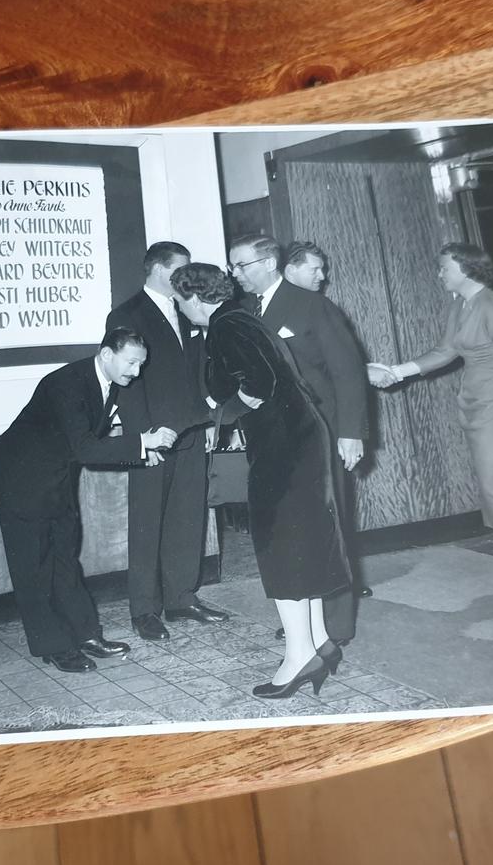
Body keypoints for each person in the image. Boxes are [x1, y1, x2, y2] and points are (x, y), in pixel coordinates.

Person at [173, 262, 350, 699]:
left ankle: (299, 657)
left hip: (283, 446)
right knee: (302, 538)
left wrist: (217, 416)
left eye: (180, 301)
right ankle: (319, 641)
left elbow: (259, 383)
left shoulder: (225, 327)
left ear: (194, 298)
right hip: (300, 438)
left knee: (280, 543)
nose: (180, 309)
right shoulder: (243, 317)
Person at [368, 242, 493, 630]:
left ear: (465, 267)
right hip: (482, 405)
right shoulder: (461, 305)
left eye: (444, 267)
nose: (439, 274)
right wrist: (397, 371)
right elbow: (445, 351)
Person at [0, 328, 177, 673]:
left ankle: (86, 635)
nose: (136, 372)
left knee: (66, 561)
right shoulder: (67, 384)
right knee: (34, 570)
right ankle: (54, 646)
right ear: (107, 354)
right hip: (20, 482)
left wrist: (142, 454)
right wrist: (142, 443)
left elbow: (83, 446)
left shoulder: (107, 383)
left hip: (55, 479)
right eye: (131, 363)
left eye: (140, 364)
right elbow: (85, 448)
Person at [228, 233, 369, 646]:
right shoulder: (246, 311)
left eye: (242, 265)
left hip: (321, 432)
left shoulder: (312, 305)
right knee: (293, 528)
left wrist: (350, 432)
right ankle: (306, 620)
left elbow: (347, 371)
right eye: (232, 266)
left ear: (269, 263)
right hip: (277, 438)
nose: (235, 274)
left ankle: (336, 626)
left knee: (329, 524)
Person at [107, 241, 228, 642]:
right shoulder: (126, 314)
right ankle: (144, 610)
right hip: (153, 435)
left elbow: (200, 368)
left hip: (191, 428)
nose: (186, 277)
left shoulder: (187, 310)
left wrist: (207, 422)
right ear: (159, 270)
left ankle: (181, 598)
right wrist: (143, 439)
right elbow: (126, 382)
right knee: (148, 522)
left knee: (187, 516)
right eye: (180, 269)